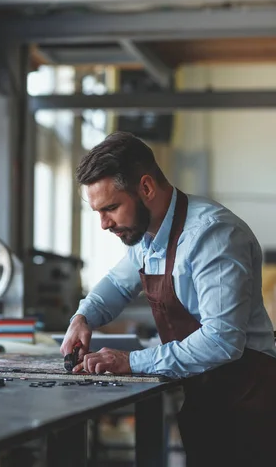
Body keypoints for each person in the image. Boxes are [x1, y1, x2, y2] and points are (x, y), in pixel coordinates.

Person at [60, 131, 276, 467]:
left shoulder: (212, 236)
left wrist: (131, 361)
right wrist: (82, 318)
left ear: (146, 188)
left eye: (112, 208)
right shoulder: (148, 235)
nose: (104, 224)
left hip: (248, 402)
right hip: (207, 396)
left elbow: (222, 341)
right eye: (98, 212)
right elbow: (117, 285)